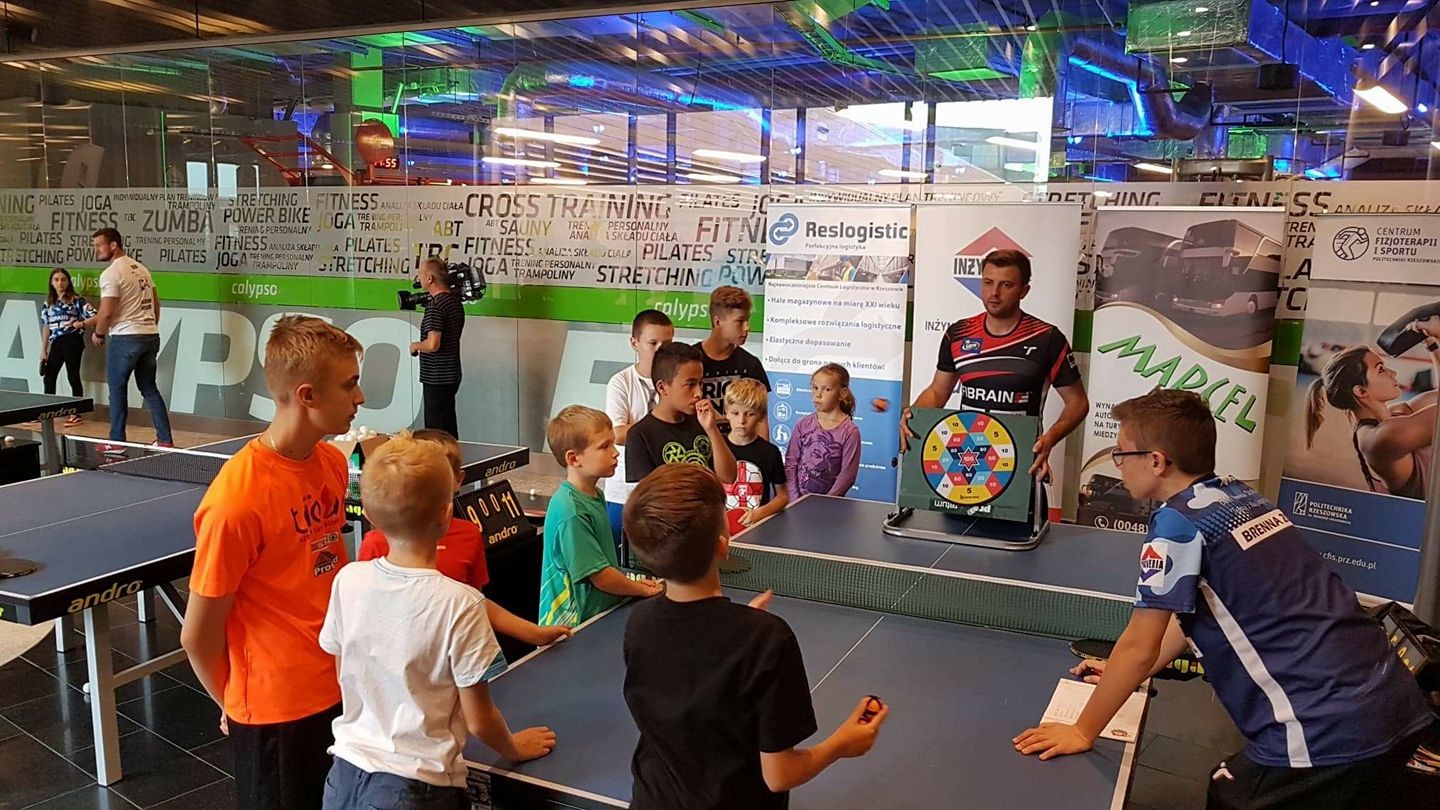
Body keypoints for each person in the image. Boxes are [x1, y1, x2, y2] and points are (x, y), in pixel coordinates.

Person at [1013, 388, 1435, 810]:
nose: (1118, 464)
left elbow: (1139, 646)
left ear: (1156, 461)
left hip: (1324, 729)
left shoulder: (1177, 525)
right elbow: (1188, 612)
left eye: (1122, 453)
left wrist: (1082, 730)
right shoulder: (1239, 496)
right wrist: (1121, 675)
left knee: (1231, 796)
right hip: (1395, 703)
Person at [622, 464, 888, 810]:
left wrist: (738, 629)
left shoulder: (638, 622)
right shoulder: (767, 640)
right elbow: (780, 775)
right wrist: (841, 744)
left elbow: (688, 675)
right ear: (723, 546)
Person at [182, 315, 366, 810]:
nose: (360, 397)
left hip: (338, 686)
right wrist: (232, 702)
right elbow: (197, 636)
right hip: (275, 713)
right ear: (307, 395)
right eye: (349, 385)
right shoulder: (236, 502)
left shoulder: (330, 463)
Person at [320, 433, 556, 810]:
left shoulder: (347, 580)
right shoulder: (461, 603)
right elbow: (479, 720)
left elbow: (343, 670)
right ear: (447, 514)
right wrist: (513, 747)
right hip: (418, 787)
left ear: (369, 516)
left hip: (344, 776)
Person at [359, 429, 572, 648]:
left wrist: (533, 634)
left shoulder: (469, 535)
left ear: (457, 480)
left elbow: (476, 603)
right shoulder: (372, 547)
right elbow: (364, 617)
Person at [900, 249, 1088, 484]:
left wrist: (1050, 439)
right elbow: (938, 391)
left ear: (1024, 291)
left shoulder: (1047, 338)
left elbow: (1078, 402)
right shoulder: (958, 334)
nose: (994, 293)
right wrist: (914, 414)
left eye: (1006, 285)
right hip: (965, 458)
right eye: (988, 282)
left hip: (1021, 462)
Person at [540, 405, 663, 627]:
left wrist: (630, 584)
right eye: (605, 446)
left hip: (598, 615)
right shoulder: (571, 510)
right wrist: (640, 589)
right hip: (572, 627)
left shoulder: (595, 494)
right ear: (574, 459)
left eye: (613, 443)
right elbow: (601, 576)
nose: (615, 452)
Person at [1305, 319, 1440, 499]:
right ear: (1361, 391)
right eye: (1381, 370)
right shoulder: (1382, 438)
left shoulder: (1396, 414)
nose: (1393, 373)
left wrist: (1432, 343)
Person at [91, 228, 173, 448]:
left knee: (117, 390)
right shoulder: (141, 269)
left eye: (99, 245)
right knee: (149, 387)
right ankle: (165, 440)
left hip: (125, 337)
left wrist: (99, 333)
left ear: (113, 245)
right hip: (149, 335)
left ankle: (116, 442)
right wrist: (149, 326)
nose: (96, 250)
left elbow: (107, 311)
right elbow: (155, 304)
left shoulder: (111, 273)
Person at [605, 309, 676, 547]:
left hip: (664, 492)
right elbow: (617, 434)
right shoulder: (620, 382)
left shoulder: (677, 382)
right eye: (652, 343)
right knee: (621, 558)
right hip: (624, 493)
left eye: (667, 344)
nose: (660, 350)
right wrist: (662, 428)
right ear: (635, 343)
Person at [625, 341, 737, 486]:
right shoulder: (641, 435)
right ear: (662, 387)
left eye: (700, 383)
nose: (699, 393)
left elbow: (729, 476)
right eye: (690, 385)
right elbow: (650, 495)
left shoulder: (702, 422)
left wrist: (712, 429)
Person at [695, 285, 770, 436]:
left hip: (740, 447)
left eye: (747, 320)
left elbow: (761, 420)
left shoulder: (751, 365)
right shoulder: (690, 361)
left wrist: (762, 451)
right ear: (717, 322)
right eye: (740, 321)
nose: (747, 327)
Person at [721, 379, 789, 535]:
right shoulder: (717, 448)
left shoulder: (770, 453)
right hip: (721, 530)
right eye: (735, 413)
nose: (741, 421)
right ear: (726, 412)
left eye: (750, 414)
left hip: (757, 530)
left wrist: (760, 513)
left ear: (761, 416)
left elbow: (783, 496)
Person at [785, 363, 861, 498]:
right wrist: (794, 500)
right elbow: (791, 464)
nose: (818, 394)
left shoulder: (850, 431)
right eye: (815, 388)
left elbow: (847, 475)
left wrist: (826, 502)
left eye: (826, 389)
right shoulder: (802, 425)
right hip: (798, 503)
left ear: (842, 393)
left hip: (831, 506)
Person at [409, 257, 465, 438]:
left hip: (436, 377)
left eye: (420, 274)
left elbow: (433, 344)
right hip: (451, 374)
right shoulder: (454, 303)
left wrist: (415, 346)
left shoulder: (435, 307)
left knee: (436, 429)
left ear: (429, 278)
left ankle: (440, 455)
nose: (418, 279)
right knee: (448, 425)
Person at [38, 268, 96, 424]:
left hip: (72, 340)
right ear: (51, 283)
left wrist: (80, 324)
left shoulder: (77, 300)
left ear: (69, 282)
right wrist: (43, 350)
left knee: (73, 376)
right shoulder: (48, 303)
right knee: (49, 376)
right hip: (56, 342)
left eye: (63, 279)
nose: (60, 283)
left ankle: (76, 413)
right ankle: (46, 412)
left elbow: (96, 316)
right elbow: (46, 327)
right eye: (56, 280)